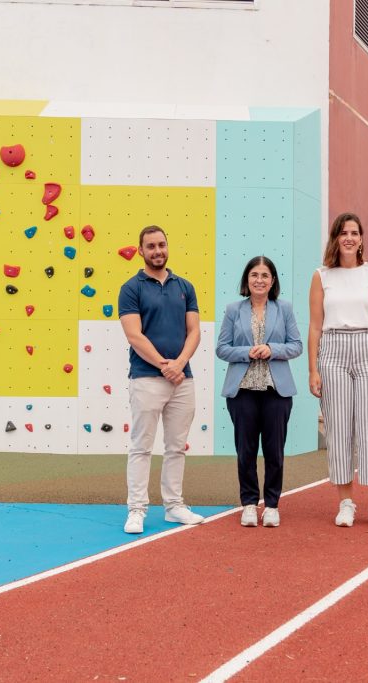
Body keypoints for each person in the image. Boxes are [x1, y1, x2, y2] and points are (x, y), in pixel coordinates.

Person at [308, 212, 368, 529]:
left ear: (361, 239)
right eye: (343, 232)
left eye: (354, 233)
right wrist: (313, 370)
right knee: (338, 427)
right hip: (332, 349)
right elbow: (315, 327)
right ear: (335, 238)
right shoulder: (321, 276)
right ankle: (346, 503)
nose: (349, 238)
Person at [118, 225, 204, 534]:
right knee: (141, 446)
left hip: (183, 379)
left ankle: (174, 506)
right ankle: (137, 509)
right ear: (140, 251)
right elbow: (133, 335)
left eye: (162, 245)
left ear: (168, 247)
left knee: (176, 447)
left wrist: (179, 364)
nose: (158, 251)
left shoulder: (185, 286)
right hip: (146, 379)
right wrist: (164, 365)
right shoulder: (131, 288)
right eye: (151, 246)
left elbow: (194, 330)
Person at [216, 256, 302, 528]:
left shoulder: (284, 309)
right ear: (247, 279)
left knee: (275, 451)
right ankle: (250, 504)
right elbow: (222, 348)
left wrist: (272, 349)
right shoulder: (233, 310)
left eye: (265, 275)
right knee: (246, 450)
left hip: (277, 390)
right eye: (254, 275)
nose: (259, 280)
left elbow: (296, 345)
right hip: (242, 391)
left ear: (273, 280)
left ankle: (273, 505)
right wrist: (247, 352)